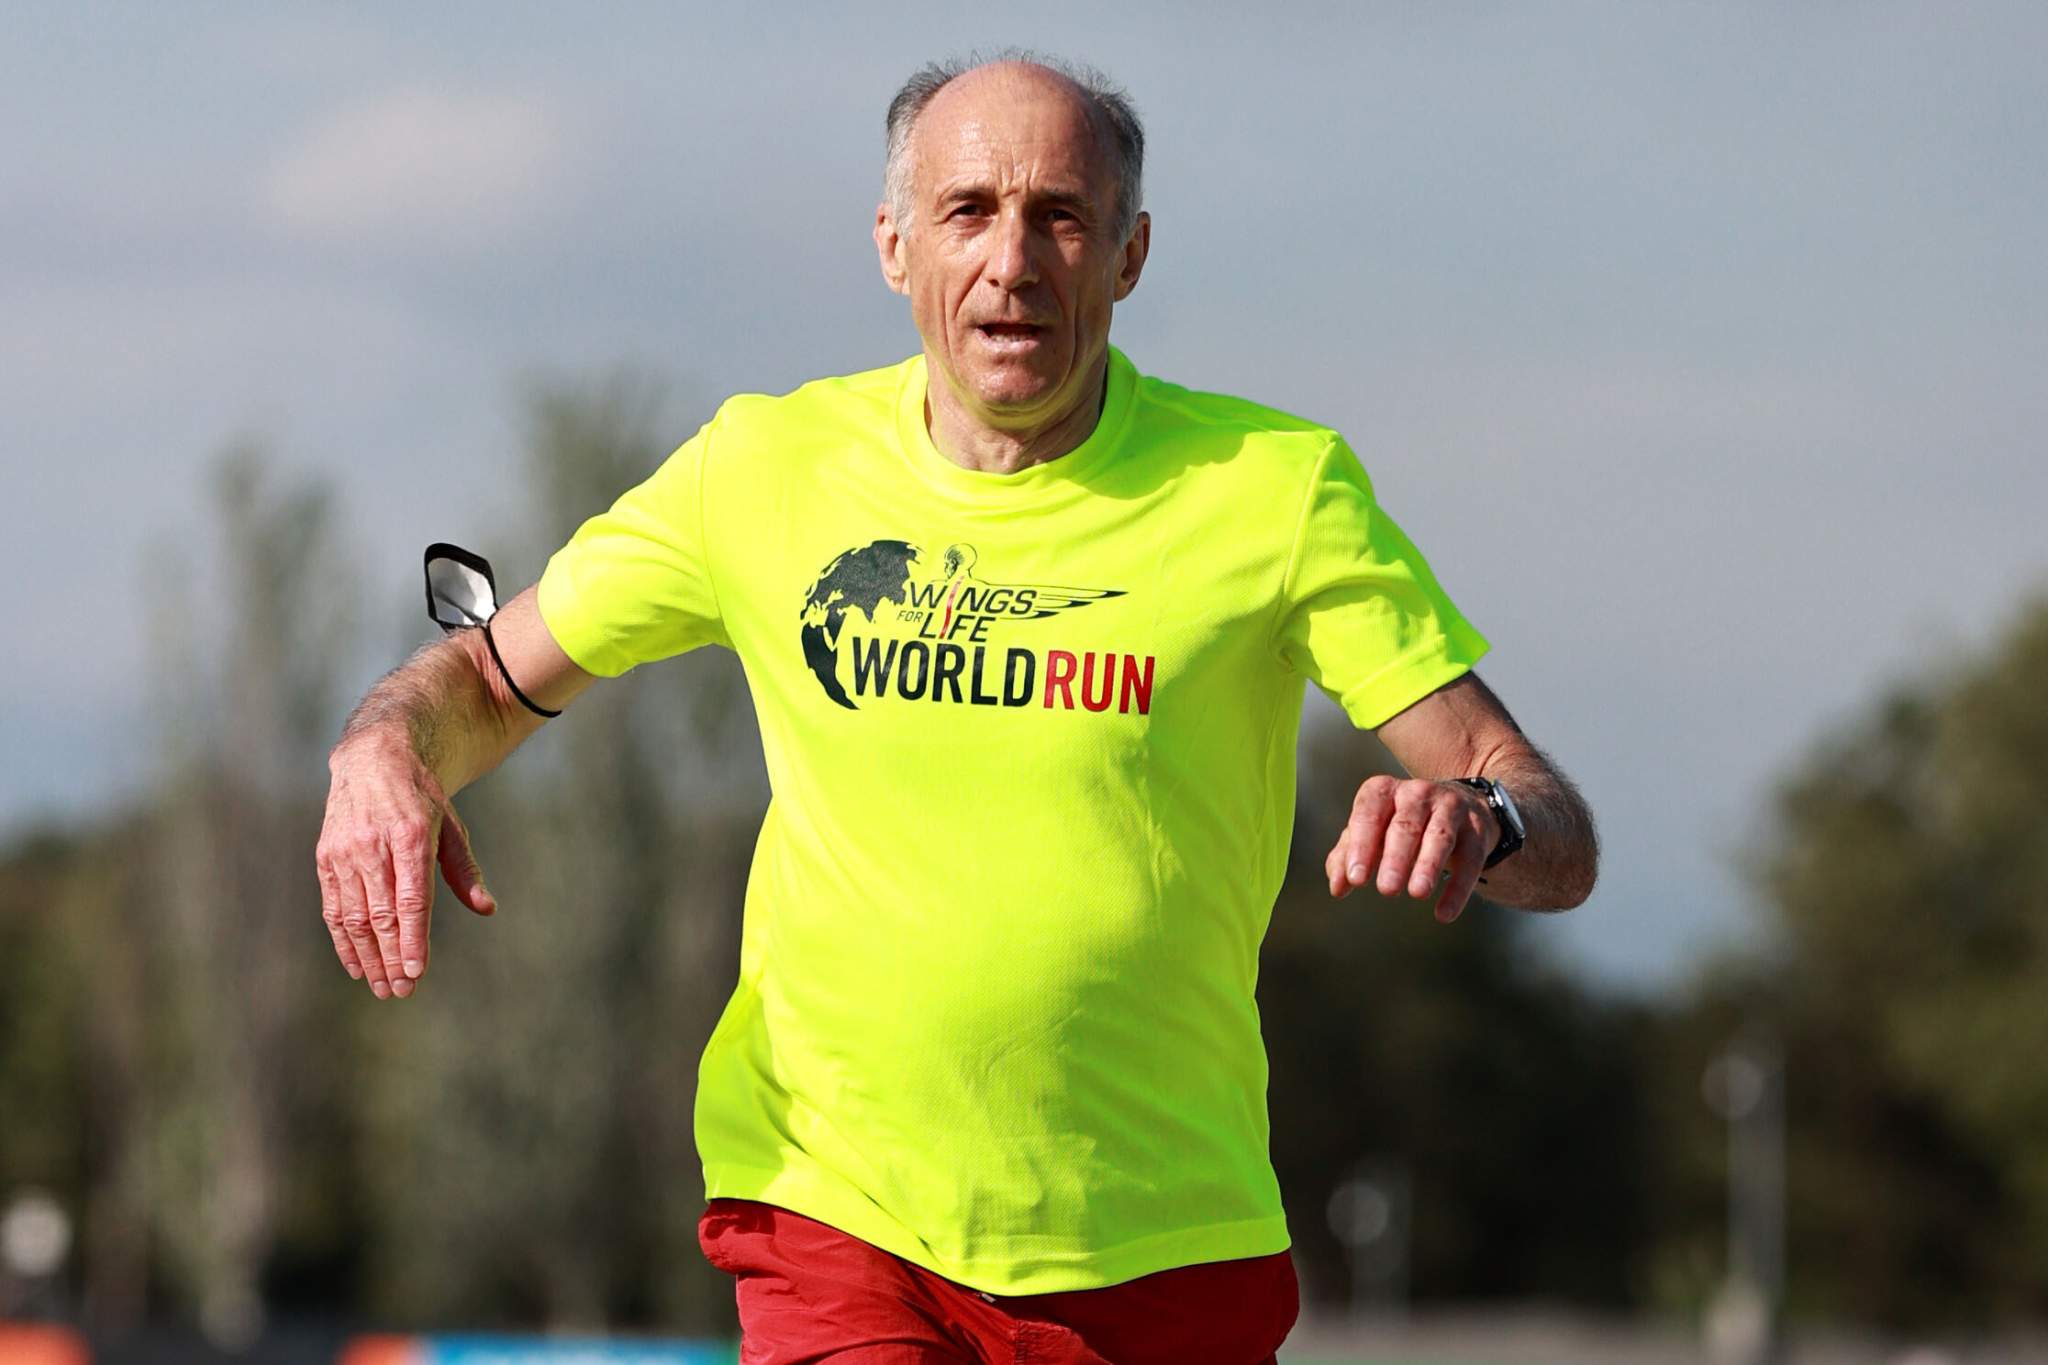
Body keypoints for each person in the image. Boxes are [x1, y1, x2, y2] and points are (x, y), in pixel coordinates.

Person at [316, 51, 1599, 1365]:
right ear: (894, 244)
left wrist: (1481, 818)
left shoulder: (1274, 491)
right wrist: (385, 750)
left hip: (1164, 1244)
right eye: (969, 210)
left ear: (1130, 254)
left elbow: (1549, 821)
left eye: (1061, 216)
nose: (1012, 261)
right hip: (839, 1217)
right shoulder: (763, 468)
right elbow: (488, 674)